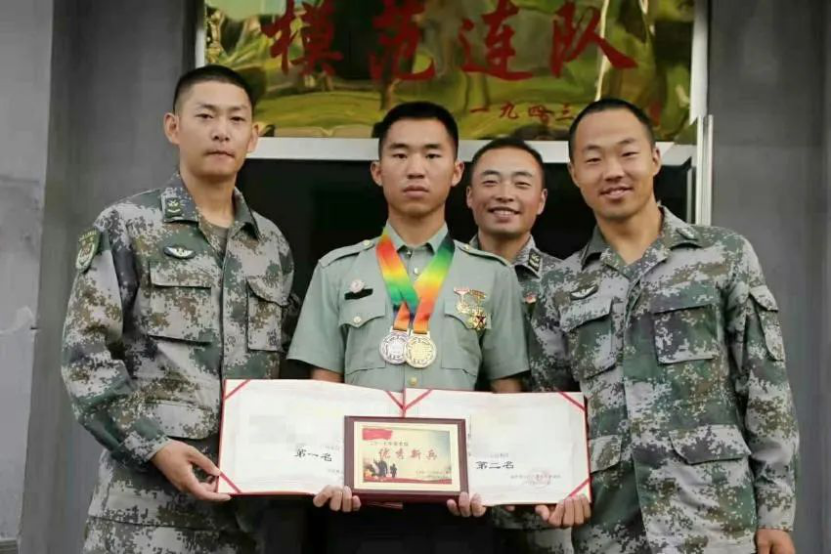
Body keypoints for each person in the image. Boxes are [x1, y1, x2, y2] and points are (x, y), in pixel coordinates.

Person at [535, 97, 799, 554]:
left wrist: (775, 513)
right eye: (593, 160)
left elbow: (765, 386)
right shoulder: (561, 285)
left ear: (655, 159)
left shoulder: (722, 256)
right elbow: (550, 408)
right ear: (574, 174)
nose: (612, 171)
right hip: (609, 529)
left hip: (715, 521)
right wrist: (556, 486)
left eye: (627, 153)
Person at [288, 101, 541, 554]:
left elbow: (508, 394)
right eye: (400, 154)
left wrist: (496, 480)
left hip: (460, 512)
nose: (416, 168)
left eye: (432, 154)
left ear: (456, 172)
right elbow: (322, 392)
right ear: (377, 171)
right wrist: (326, 473)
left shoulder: (492, 276)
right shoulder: (337, 270)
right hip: (359, 510)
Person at [60, 65, 294, 554]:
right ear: (173, 127)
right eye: (205, 116)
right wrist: (155, 447)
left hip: (241, 520)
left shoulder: (270, 245)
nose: (221, 131)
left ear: (254, 136)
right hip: (143, 516)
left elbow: (288, 371)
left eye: (236, 119)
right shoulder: (128, 224)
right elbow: (85, 357)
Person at [466, 137, 577, 554]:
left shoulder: (570, 284)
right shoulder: (437, 279)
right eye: (491, 182)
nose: (505, 194)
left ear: (541, 200)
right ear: (469, 196)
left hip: (545, 503)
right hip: (457, 501)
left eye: (521, 183)